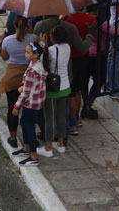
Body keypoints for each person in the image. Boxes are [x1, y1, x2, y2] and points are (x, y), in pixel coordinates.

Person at [0, 15, 38, 148]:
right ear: (27, 26)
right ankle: (30, 138)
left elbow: (4, 57)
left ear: (14, 26)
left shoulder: (7, 40)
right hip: (30, 76)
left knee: (12, 108)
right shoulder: (33, 38)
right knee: (29, 110)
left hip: (12, 78)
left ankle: (13, 138)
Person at [11, 41, 49, 166]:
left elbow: (26, 91)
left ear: (36, 55)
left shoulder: (33, 70)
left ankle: (33, 156)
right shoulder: (35, 65)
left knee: (29, 126)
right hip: (35, 101)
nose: (25, 54)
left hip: (30, 103)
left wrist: (17, 106)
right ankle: (26, 148)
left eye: (28, 52)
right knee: (24, 122)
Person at [63, 6, 98, 131]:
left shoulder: (67, 19)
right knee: (77, 90)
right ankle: (76, 118)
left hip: (71, 57)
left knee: (71, 91)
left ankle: (72, 120)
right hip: (84, 57)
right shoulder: (91, 19)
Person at [40, 27, 71, 156]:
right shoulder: (68, 47)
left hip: (53, 88)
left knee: (49, 118)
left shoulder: (51, 50)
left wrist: (43, 45)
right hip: (65, 86)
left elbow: (42, 62)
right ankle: (60, 144)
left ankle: (48, 147)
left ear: (54, 38)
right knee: (61, 116)